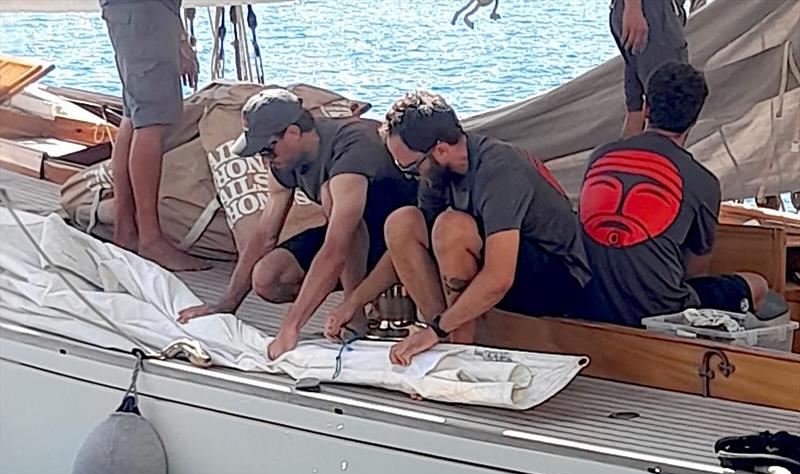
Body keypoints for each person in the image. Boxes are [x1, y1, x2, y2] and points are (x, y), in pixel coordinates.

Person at [326, 90, 591, 367]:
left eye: (413, 169)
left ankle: (455, 349)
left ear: (440, 150)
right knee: (403, 222)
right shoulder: (438, 174)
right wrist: (353, 303)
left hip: (557, 279)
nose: (413, 176)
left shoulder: (499, 171)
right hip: (494, 272)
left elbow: (500, 277)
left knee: (452, 227)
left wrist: (438, 328)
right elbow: (400, 251)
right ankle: (445, 344)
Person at [177, 88, 416, 359]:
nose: (265, 159)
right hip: (349, 232)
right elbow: (266, 234)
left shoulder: (350, 147)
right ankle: (351, 304)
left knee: (331, 198)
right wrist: (226, 304)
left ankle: (356, 314)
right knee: (269, 278)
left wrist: (291, 328)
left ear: (293, 132)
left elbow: (337, 248)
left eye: (268, 149)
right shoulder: (284, 160)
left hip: (400, 238)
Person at [577, 61, 768, 327]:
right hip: (657, 312)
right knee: (757, 287)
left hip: (587, 300)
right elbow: (696, 272)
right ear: (695, 118)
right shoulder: (702, 181)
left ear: (646, 108)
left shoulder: (600, 157)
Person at [100, 0, 208, 271]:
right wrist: (180, 38)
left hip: (136, 13)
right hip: (146, 12)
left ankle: (126, 230)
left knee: (135, 115)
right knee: (152, 121)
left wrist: (179, 34)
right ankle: (150, 238)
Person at [610, 0, 688, 137]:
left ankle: (629, 156)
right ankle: (657, 156)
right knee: (671, 107)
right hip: (651, 11)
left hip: (648, 11)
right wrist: (634, 8)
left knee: (637, 108)